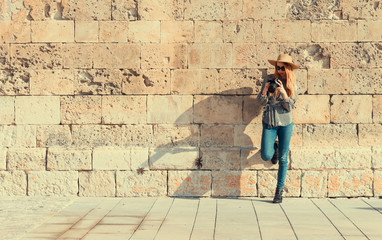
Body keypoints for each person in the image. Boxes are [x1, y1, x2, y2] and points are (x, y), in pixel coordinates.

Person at [256, 53, 299, 203]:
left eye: (282, 68)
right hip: (269, 121)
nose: (279, 70)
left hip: (285, 123)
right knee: (266, 155)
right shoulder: (269, 79)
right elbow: (260, 103)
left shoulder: (292, 83)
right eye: (277, 67)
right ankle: (273, 147)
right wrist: (264, 90)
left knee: (283, 157)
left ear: (287, 68)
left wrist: (284, 93)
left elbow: (290, 107)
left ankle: (279, 191)